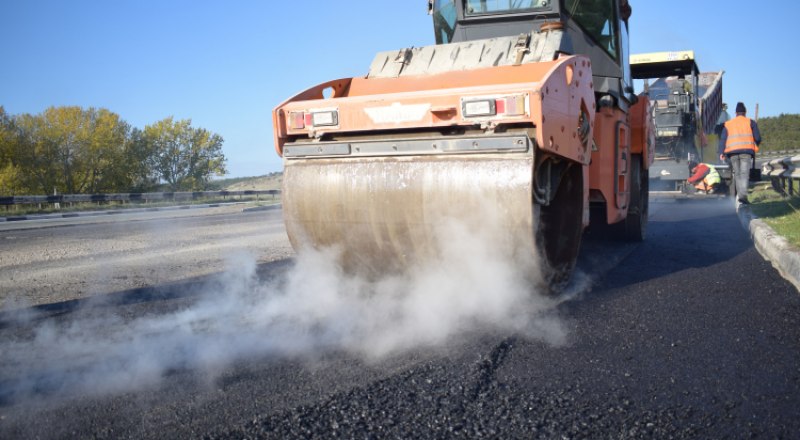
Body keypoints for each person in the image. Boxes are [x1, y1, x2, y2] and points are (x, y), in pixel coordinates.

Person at [719, 102, 761, 204]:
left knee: (737, 174)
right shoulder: (750, 122)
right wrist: (755, 144)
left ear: (736, 113)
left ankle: (741, 195)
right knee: (744, 174)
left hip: (732, 153)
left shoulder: (728, 124)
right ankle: (742, 196)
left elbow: (723, 139)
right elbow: (758, 138)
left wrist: (721, 152)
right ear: (745, 113)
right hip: (746, 152)